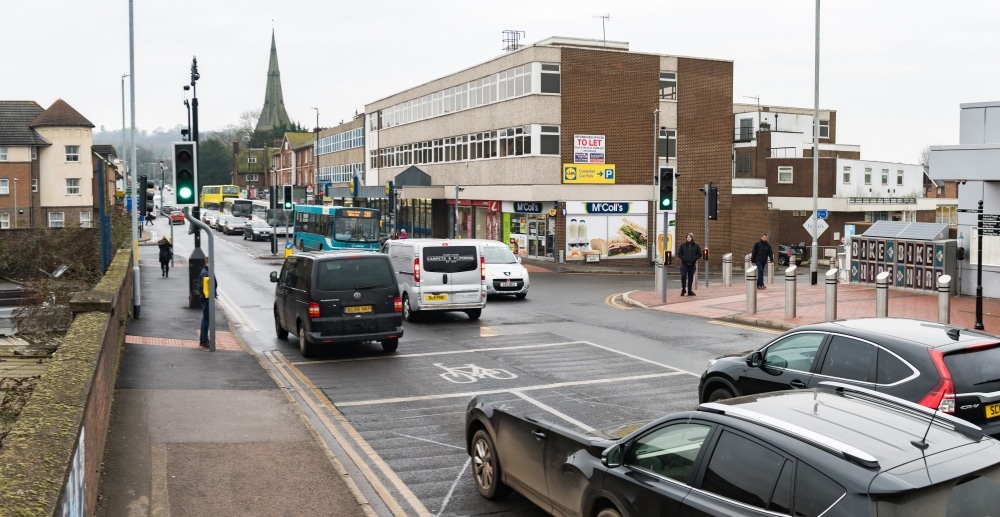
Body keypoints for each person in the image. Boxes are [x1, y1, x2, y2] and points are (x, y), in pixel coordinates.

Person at [198, 257, 218, 348]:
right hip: (207, 299)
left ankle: (203, 339)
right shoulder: (206, 273)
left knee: (205, 319)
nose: (213, 264)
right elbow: (206, 289)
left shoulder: (206, 271)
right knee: (206, 320)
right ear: (206, 263)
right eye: (211, 263)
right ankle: (204, 340)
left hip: (207, 298)